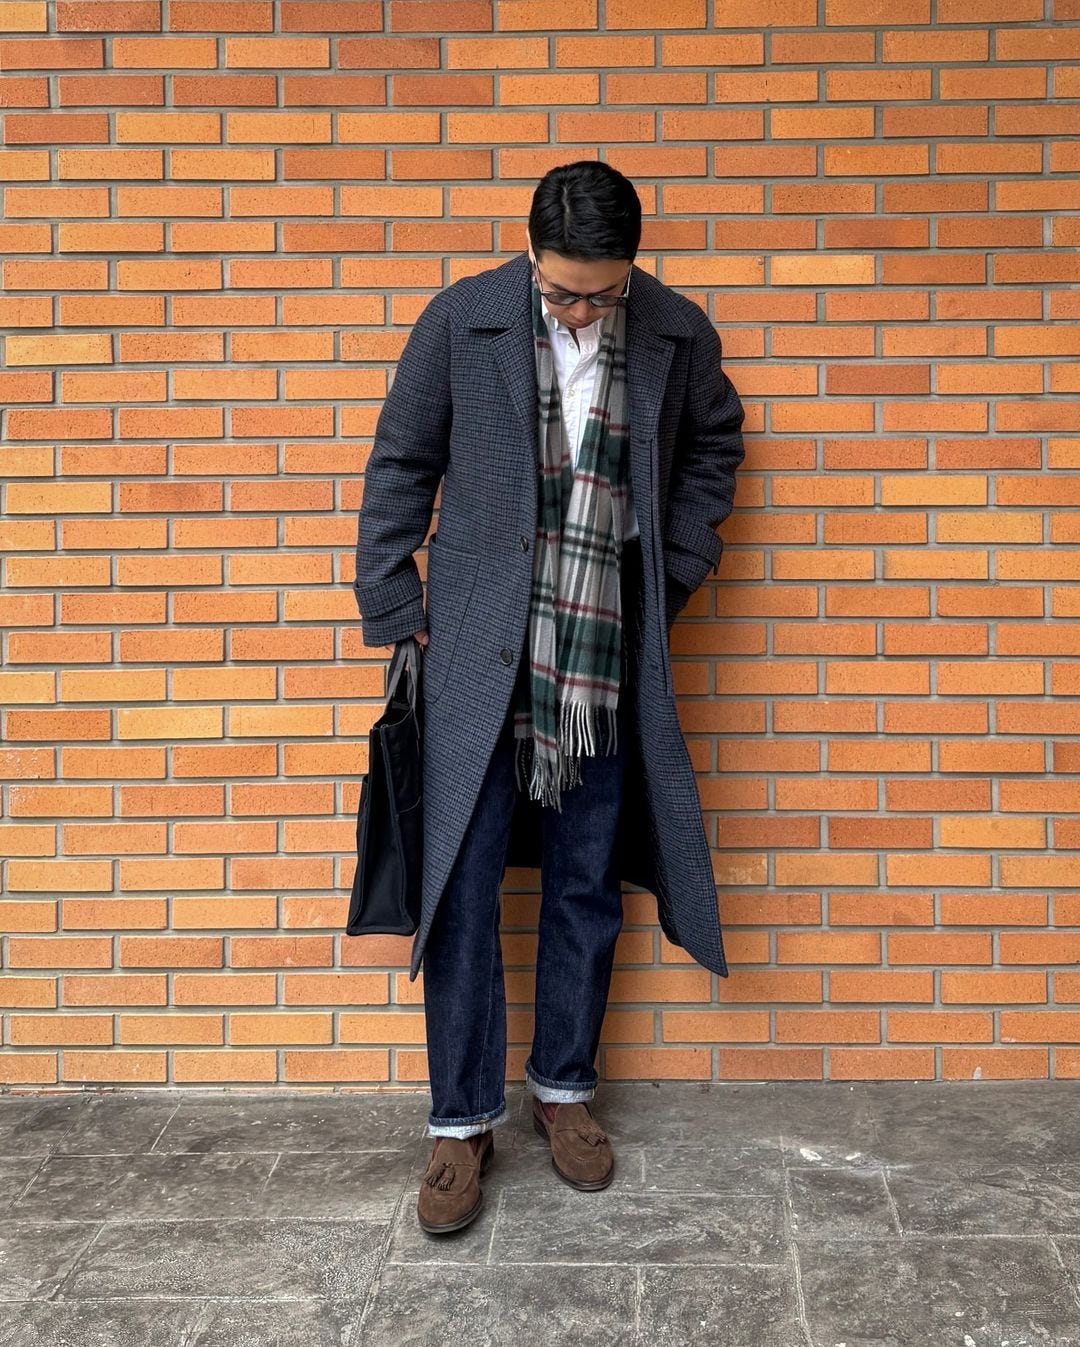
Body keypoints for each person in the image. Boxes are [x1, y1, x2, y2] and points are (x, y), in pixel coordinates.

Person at [352, 161, 746, 1235]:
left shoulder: (670, 327)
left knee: (584, 881)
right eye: (563, 291)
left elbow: (716, 444)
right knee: (464, 887)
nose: (582, 311)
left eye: (601, 293)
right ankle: (460, 1120)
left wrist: (674, 564)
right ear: (530, 258)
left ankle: (564, 1093)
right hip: (482, 637)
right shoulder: (461, 319)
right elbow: (400, 462)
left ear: (630, 271)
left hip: (608, 643)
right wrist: (394, 602)